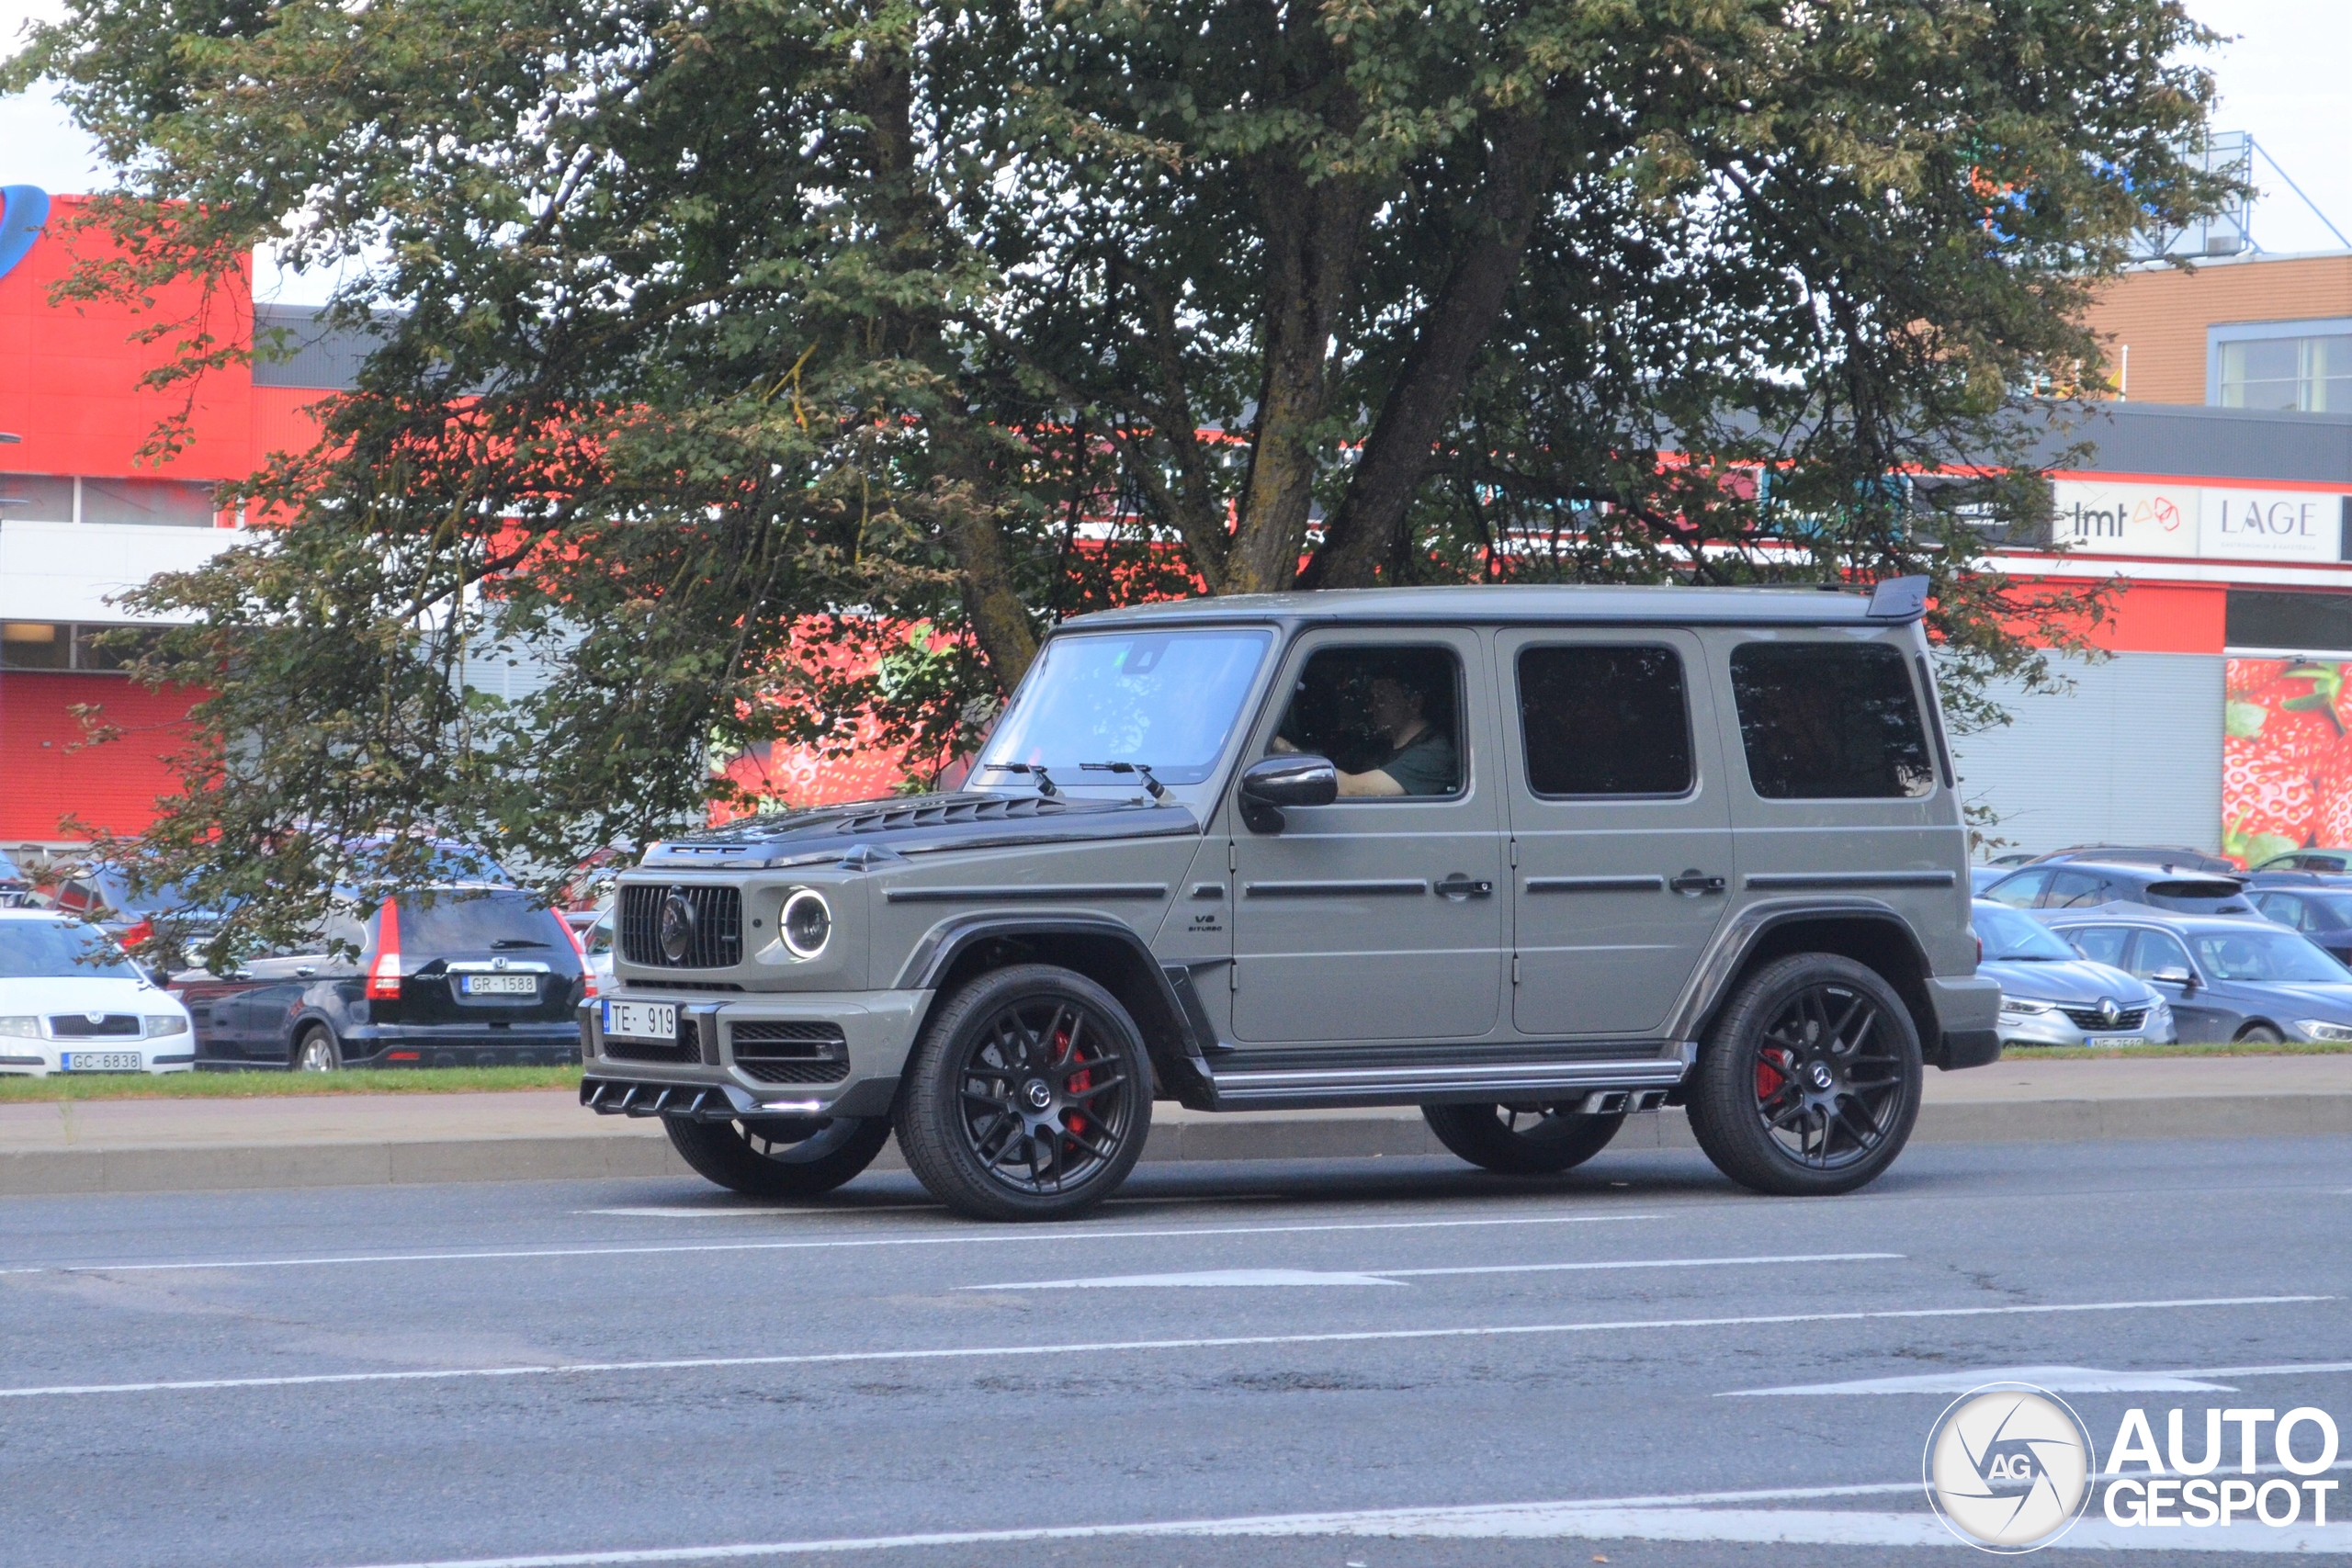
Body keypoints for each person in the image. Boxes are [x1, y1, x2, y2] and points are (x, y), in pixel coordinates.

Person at [1273, 662, 1457, 796]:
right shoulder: (1379, 746)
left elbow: (1353, 789)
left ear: (1414, 703)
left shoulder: (1435, 754)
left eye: (1382, 699)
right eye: (1372, 698)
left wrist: (1285, 749)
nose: (1371, 707)